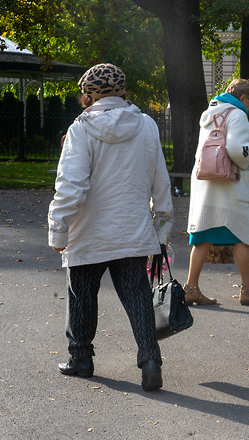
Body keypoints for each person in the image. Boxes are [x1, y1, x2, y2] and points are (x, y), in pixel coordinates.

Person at [48, 63, 172, 391]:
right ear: (123, 91)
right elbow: (160, 180)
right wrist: (161, 228)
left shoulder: (81, 128)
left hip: (89, 230)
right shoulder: (146, 125)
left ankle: (81, 358)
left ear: (87, 95)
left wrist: (58, 227)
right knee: (137, 295)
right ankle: (150, 360)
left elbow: (70, 184)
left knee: (82, 294)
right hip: (132, 228)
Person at [185, 79, 249, 306]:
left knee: (203, 236)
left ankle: (191, 288)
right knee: (243, 236)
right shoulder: (237, 114)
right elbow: (236, 149)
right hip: (230, 187)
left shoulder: (211, 113)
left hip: (207, 186)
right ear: (243, 98)